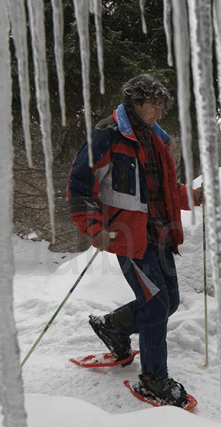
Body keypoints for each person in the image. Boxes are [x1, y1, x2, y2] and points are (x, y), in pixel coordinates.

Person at [67, 74, 200, 406]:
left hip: (161, 235)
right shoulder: (106, 135)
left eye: (161, 107)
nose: (158, 113)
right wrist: (93, 226)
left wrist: (194, 196)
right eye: (154, 105)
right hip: (128, 238)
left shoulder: (157, 140)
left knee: (168, 303)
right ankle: (154, 379)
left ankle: (114, 327)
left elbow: (166, 190)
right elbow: (79, 185)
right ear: (137, 101)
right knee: (155, 306)